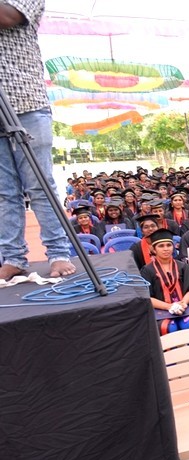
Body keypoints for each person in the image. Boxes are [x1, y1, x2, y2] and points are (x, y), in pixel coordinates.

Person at [0, 0, 76, 281]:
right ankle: (13, 258)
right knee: (4, 192)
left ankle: (58, 253)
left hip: (26, 103)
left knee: (39, 185)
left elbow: (8, 16)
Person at [140, 229, 189, 334]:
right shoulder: (147, 270)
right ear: (153, 249)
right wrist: (168, 306)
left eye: (168, 245)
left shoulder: (183, 267)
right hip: (161, 309)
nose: (166, 249)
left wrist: (183, 303)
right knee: (169, 327)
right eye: (161, 246)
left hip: (185, 306)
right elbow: (147, 297)